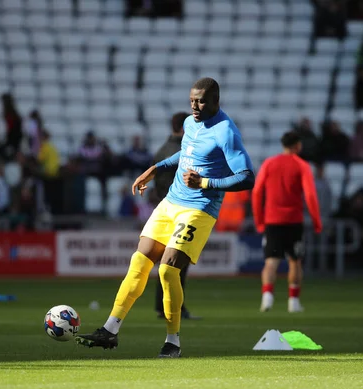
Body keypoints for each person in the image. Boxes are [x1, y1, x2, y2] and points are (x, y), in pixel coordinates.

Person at [76, 77, 255, 358]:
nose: (195, 106)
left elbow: (246, 178)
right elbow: (185, 155)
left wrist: (205, 183)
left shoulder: (226, 132)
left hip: (198, 209)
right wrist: (155, 168)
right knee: (139, 260)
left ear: (216, 101)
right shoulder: (189, 123)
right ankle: (110, 330)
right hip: (171, 201)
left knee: (168, 269)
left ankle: (173, 341)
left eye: (201, 101)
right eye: (192, 101)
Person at [252, 132, 322, 313]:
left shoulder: (269, 163)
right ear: (297, 145)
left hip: (272, 221)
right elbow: (310, 195)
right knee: (295, 261)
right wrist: (316, 221)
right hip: (293, 221)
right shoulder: (302, 165)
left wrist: (259, 220)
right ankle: (293, 302)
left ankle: (267, 298)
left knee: (271, 261)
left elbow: (257, 192)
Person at [151, 111, 201, 320]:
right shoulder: (185, 151)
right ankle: (174, 308)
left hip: (164, 210)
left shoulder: (161, 151)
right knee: (179, 263)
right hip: (182, 211)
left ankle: (162, 306)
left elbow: (157, 183)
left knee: (167, 261)